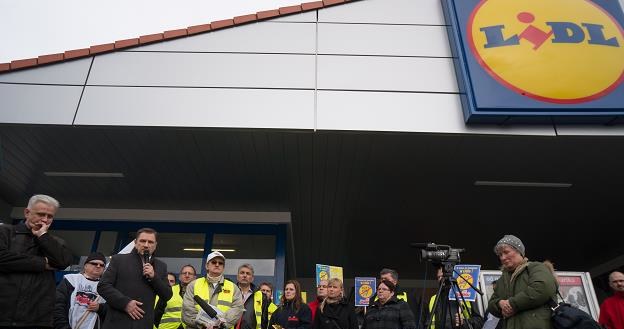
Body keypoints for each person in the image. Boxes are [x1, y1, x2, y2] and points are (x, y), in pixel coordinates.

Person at [0, 194, 73, 329]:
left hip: (37, 319)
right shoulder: (5, 232)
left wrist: (43, 236)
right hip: (4, 313)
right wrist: (42, 263)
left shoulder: (56, 242)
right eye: (40, 214)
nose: (44, 220)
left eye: (50, 216)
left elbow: (63, 262)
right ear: (27, 213)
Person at [98, 227, 172, 329]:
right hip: (117, 322)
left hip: (143, 324)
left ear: (155, 245)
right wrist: (125, 303)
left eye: (150, 242)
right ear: (136, 242)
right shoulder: (119, 260)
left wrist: (154, 277)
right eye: (142, 241)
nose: (146, 245)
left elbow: (167, 295)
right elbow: (103, 286)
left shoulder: (161, 266)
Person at [487, 235, 557, 329]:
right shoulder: (502, 280)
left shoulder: (536, 267)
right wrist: (500, 304)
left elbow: (542, 288)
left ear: (519, 251)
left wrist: (512, 304)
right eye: (500, 255)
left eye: (506, 252)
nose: (503, 258)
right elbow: (492, 303)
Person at [182, 251, 244, 329]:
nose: (217, 264)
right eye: (214, 262)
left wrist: (220, 324)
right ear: (207, 266)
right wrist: (203, 324)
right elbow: (188, 310)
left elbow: (237, 309)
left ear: (223, 267)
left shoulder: (233, 287)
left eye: (220, 263)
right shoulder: (193, 285)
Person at [54, 252, 108, 329]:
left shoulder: (106, 287)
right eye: (94, 263)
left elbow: (111, 311)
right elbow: (58, 304)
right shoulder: (71, 280)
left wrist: (100, 308)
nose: (98, 266)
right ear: (85, 266)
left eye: (102, 265)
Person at [154, 265, 197, 329]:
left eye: (190, 273)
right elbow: (157, 313)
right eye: (184, 273)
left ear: (195, 277)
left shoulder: (199, 293)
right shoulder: (169, 291)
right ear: (179, 277)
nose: (187, 275)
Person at [235, 264, 274, 329]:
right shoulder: (231, 292)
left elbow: (264, 322)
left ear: (252, 278)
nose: (244, 275)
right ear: (237, 276)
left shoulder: (261, 296)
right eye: (242, 273)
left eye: (248, 273)